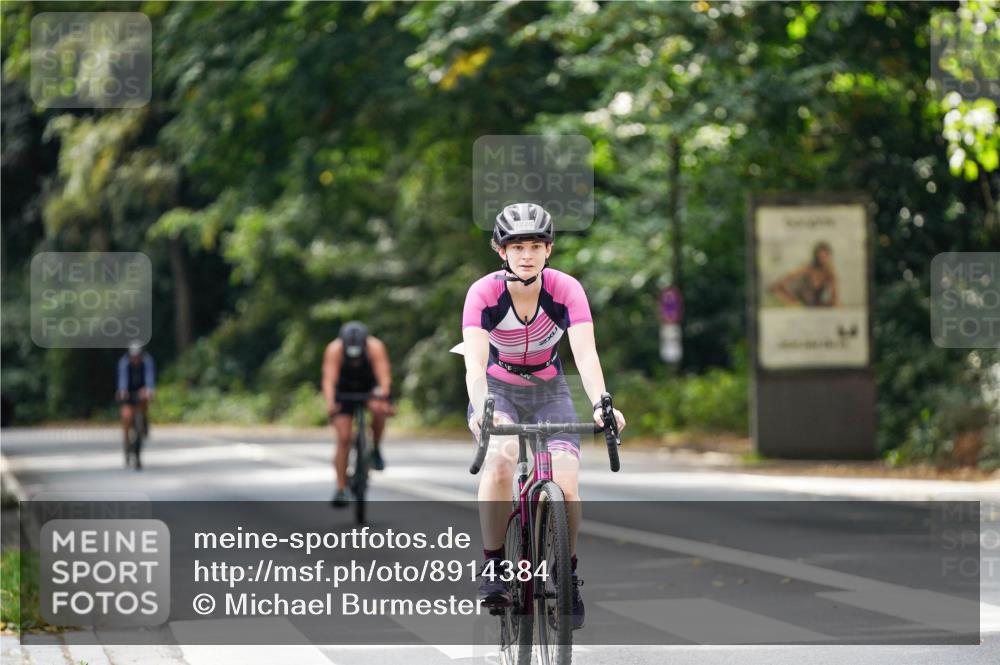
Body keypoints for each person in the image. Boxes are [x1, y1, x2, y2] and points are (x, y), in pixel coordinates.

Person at [462, 202, 626, 630]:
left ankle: (565, 573)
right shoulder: (484, 293)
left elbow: (586, 354)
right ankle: (495, 565)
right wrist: (482, 409)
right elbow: (474, 365)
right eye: (517, 246)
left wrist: (601, 402)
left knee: (567, 481)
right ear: (501, 251)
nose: (527, 254)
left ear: (549, 250)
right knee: (500, 460)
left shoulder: (565, 289)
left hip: (551, 390)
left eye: (536, 245)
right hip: (498, 391)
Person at [322, 321, 394, 508]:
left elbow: (384, 376)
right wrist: (330, 403)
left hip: (369, 388)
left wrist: (384, 397)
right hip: (343, 391)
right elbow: (329, 380)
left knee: (379, 410)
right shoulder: (334, 349)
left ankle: (375, 448)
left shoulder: (375, 347)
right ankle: (341, 488)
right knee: (344, 438)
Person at [116, 341, 156, 468]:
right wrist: (122, 391)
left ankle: (144, 422)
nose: (136, 359)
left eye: (138, 356)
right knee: (127, 418)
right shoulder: (124, 362)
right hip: (128, 393)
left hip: (141, 391)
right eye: (133, 357)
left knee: (145, 402)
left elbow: (149, 377)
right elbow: (123, 379)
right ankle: (127, 445)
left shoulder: (147, 361)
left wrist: (149, 389)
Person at [768, 241, 840, 307]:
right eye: (821, 256)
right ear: (816, 256)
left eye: (826, 256)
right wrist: (792, 301)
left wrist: (835, 306)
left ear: (829, 256)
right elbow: (778, 285)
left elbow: (834, 295)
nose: (824, 259)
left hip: (816, 305)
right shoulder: (808, 268)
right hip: (801, 303)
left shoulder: (830, 272)